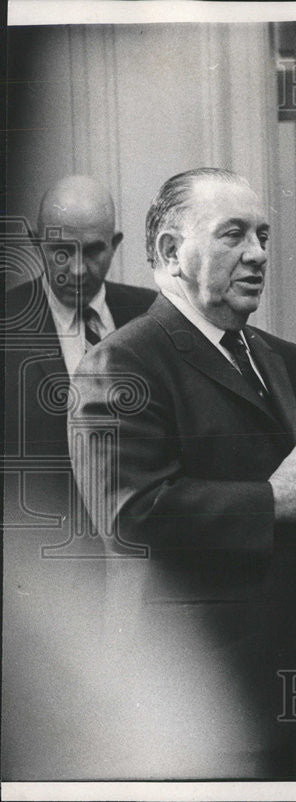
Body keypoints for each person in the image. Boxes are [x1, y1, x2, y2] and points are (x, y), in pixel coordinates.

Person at [68, 168, 296, 778]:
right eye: (234, 235)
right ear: (172, 252)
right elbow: (128, 515)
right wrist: (273, 501)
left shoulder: (285, 358)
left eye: (263, 235)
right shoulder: (120, 362)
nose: (257, 254)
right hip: (201, 697)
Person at [1, 176, 156, 778]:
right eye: (59, 251)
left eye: (93, 250)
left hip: (148, 569)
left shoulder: (155, 316)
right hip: (46, 583)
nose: (76, 268)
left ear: (116, 243)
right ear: (38, 243)